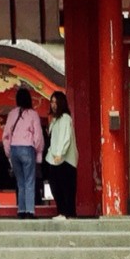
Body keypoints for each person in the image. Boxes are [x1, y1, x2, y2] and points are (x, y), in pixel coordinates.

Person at [2, 86, 45, 219]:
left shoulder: (12, 114)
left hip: (14, 149)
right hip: (27, 148)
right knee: (29, 181)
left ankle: (21, 210)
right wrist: (39, 152)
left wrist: (8, 152)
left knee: (20, 182)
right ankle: (29, 211)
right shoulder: (33, 114)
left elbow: (6, 135)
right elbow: (38, 136)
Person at [47, 90, 79, 219]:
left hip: (65, 160)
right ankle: (62, 212)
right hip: (54, 159)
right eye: (52, 102)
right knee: (56, 187)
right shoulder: (55, 120)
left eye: (56, 102)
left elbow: (66, 137)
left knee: (67, 188)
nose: (53, 105)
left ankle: (68, 213)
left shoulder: (66, 118)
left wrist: (60, 153)